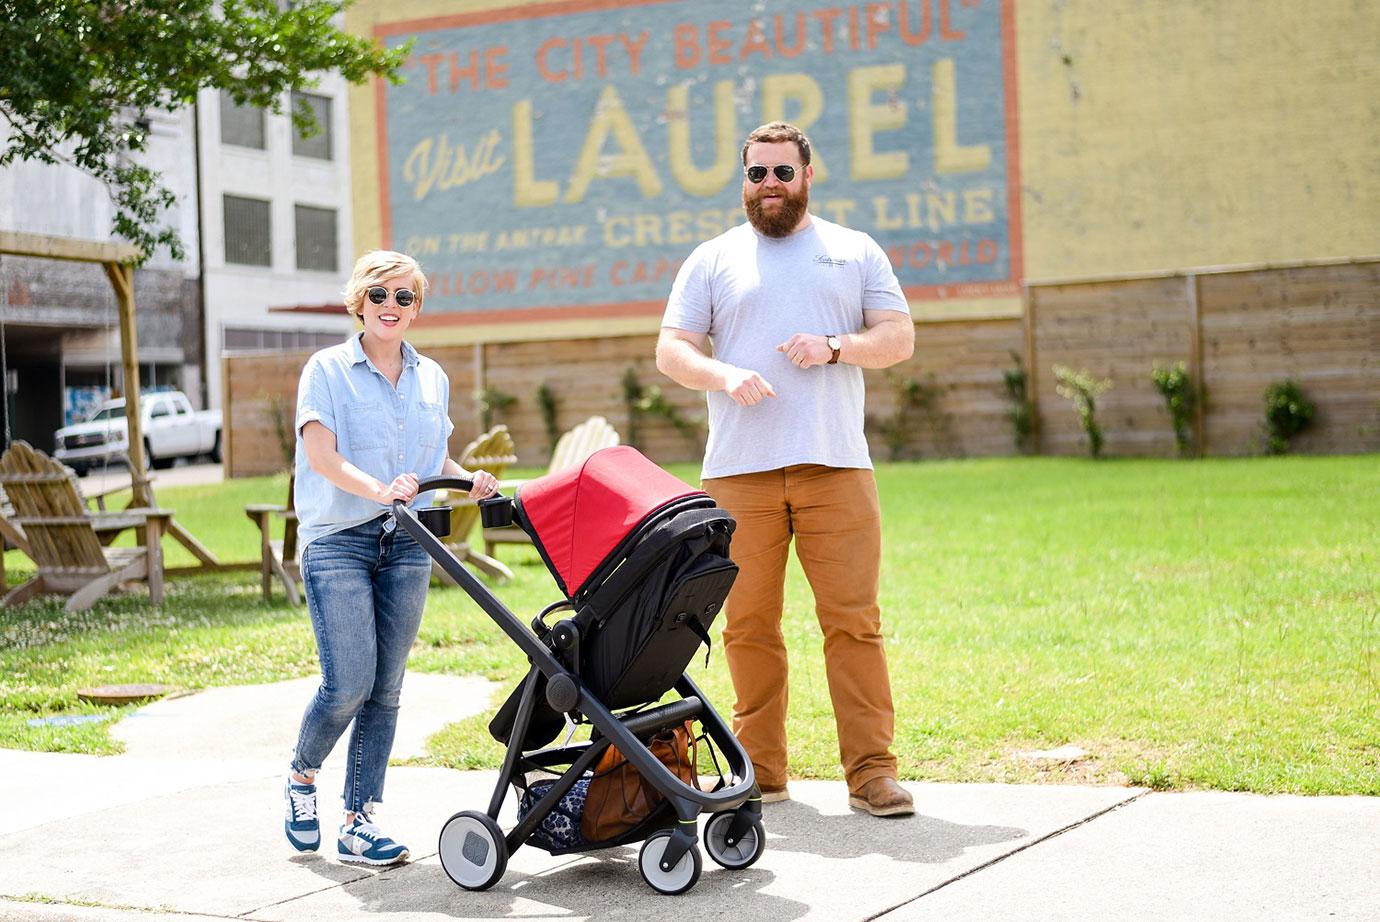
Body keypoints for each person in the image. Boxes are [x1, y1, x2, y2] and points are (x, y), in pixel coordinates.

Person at [656, 122, 916, 817]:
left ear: (807, 173)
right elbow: (673, 350)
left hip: (836, 467)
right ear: (743, 180)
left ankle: (871, 775)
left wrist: (834, 347)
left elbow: (898, 338)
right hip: (740, 473)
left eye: (781, 172)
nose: (768, 185)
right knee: (747, 626)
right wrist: (724, 371)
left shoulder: (852, 251)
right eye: (755, 174)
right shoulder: (713, 259)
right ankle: (759, 771)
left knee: (853, 622)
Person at [282, 250, 499, 864]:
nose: (391, 307)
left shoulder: (433, 377)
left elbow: (434, 463)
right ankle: (302, 776)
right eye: (379, 295)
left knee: (386, 687)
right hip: (339, 539)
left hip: (407, 542)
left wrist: (469, 480)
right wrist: (381, 491)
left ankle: (358, 819)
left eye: (405, 298)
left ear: (417, 308)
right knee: (348, 683)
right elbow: (322, 457)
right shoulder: (326, 369)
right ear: (359, 301)